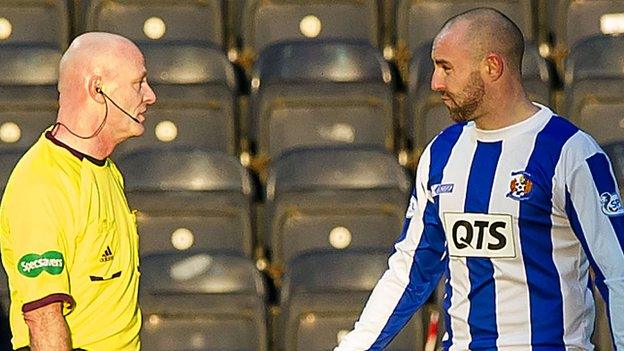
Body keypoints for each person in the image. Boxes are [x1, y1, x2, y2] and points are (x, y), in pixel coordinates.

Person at [335, 8, 624, 350]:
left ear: (492, 67)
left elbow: (616, 273)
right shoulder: (442, 153)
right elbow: (410, 271)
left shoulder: (569, 152)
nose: (435, 83)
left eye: (446, 68)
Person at [0, 32, 156, 350]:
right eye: (138, 83)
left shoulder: (107, 171)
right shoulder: (43, 183)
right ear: (96, 89)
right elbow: (43, 318)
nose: (150, 95)